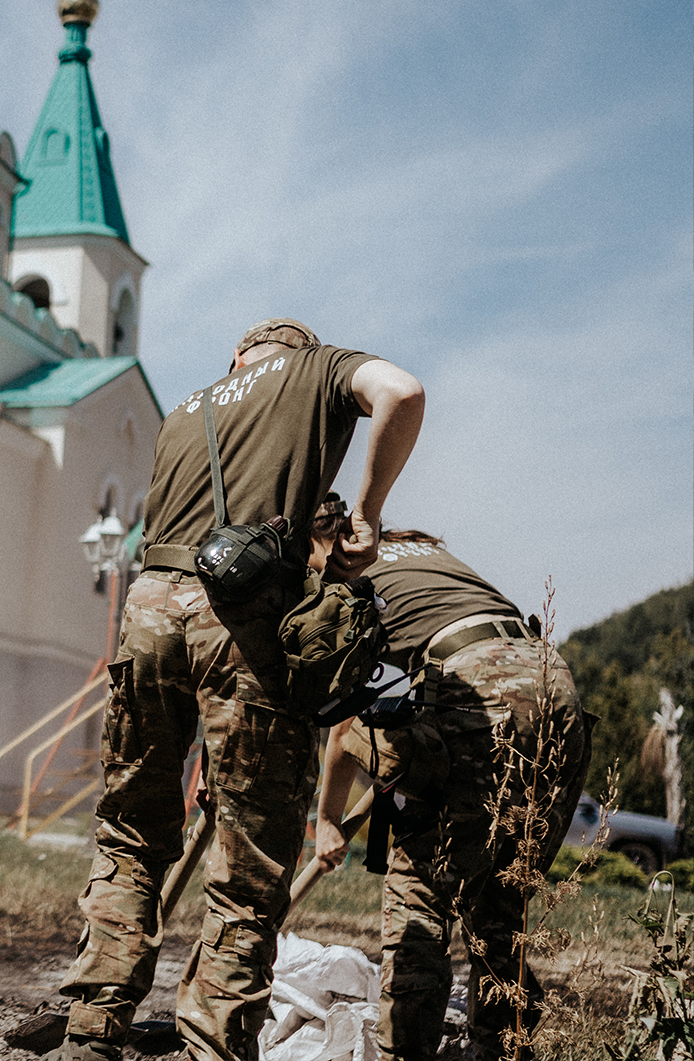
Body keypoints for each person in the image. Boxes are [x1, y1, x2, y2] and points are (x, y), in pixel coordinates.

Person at [50, 319, 425, 1061]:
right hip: (241, 622)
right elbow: (402, 392)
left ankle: (90, 1031)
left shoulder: (185, 411)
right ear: (297, 352)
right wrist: (368, 513)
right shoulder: (315, 370)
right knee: (250, 860)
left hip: (149, 613)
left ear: (237, 358)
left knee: (130, 828)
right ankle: (214, 1046)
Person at [311, 526, 589, 1061]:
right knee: (502, 899)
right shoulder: (429, 555)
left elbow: (345, 721)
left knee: (420, 893)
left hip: (475, 684)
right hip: (556, 688)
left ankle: (405, 1053)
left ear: (321, 541)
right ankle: (501, 1051)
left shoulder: (346, 571)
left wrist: (326, 820)